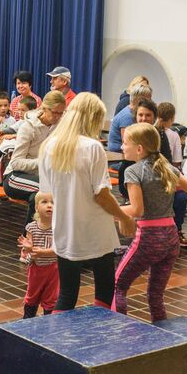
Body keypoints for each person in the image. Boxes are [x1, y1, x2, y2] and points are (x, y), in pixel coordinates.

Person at [114, 123, 187, 318]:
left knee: (118, 286)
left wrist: (108, 211)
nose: (122, 147)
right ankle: (161, 331)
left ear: (139, 149)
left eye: (125, 143)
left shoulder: (133, 172)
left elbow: (137, 209)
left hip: (149, 238)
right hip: (171, 238)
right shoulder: (168, 168)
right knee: (156, 295)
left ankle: (117, 329)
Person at [39, 92, 134, 311]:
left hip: (65, 228)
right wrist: (123, 217)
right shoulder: (92, 147)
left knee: (67, 294)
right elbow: (101, 195)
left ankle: (57, 332)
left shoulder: (49, 146)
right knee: (104, 291)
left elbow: (47, 192)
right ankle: (98, 331)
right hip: (96, 230)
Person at [3, 91, 66, 223]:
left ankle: (34, 233)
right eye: (54, 112)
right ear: (44, 108)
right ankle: (36, 233)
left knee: (38, 198)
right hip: (15, 176)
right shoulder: (29, 127)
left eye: (61, 113)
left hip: (41, 177)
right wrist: (43, 162)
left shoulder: (60, 125)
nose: (58, 117)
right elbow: (16, 163)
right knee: (47, 191)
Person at [17, 192, 59, 318]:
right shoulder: (31, 228)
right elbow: (28, 250)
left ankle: (49, 320)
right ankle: (28, 318)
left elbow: (58, 250)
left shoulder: (58, 228)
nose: (49, 205)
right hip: (36, 269)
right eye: (44, 202)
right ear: (36, 208)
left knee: (51, 297)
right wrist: (28, 249)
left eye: (53, 202)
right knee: (32, 295)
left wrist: (40, 252)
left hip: (54, 269)